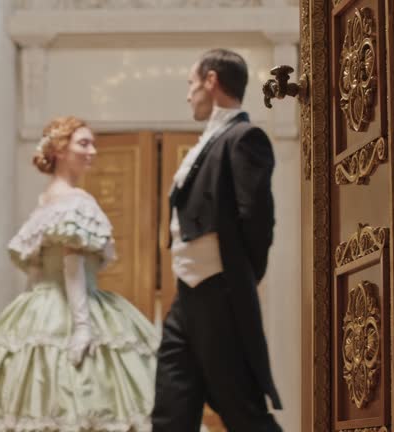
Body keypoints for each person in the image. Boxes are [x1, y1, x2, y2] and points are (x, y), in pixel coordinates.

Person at [0, 116, 158, 432]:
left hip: (39, 306)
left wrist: (29, 321)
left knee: (31, 400)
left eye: (93, 144)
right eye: (83, 143)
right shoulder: (76, 202)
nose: (92, 152)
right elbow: (71, 264)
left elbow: (34, 272)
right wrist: (83, 326)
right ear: (60, 149)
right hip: (74, 306)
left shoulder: (44, 203)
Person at [151, 49, 283, 432]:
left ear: (211, 81)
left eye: (191, 84)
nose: (188, 94)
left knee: (241, 410)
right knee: (171, 409)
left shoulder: (246, 138)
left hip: (219, 293)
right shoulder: (207, 140)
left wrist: (236, 281)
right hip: (186, 298)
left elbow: (258, 222)